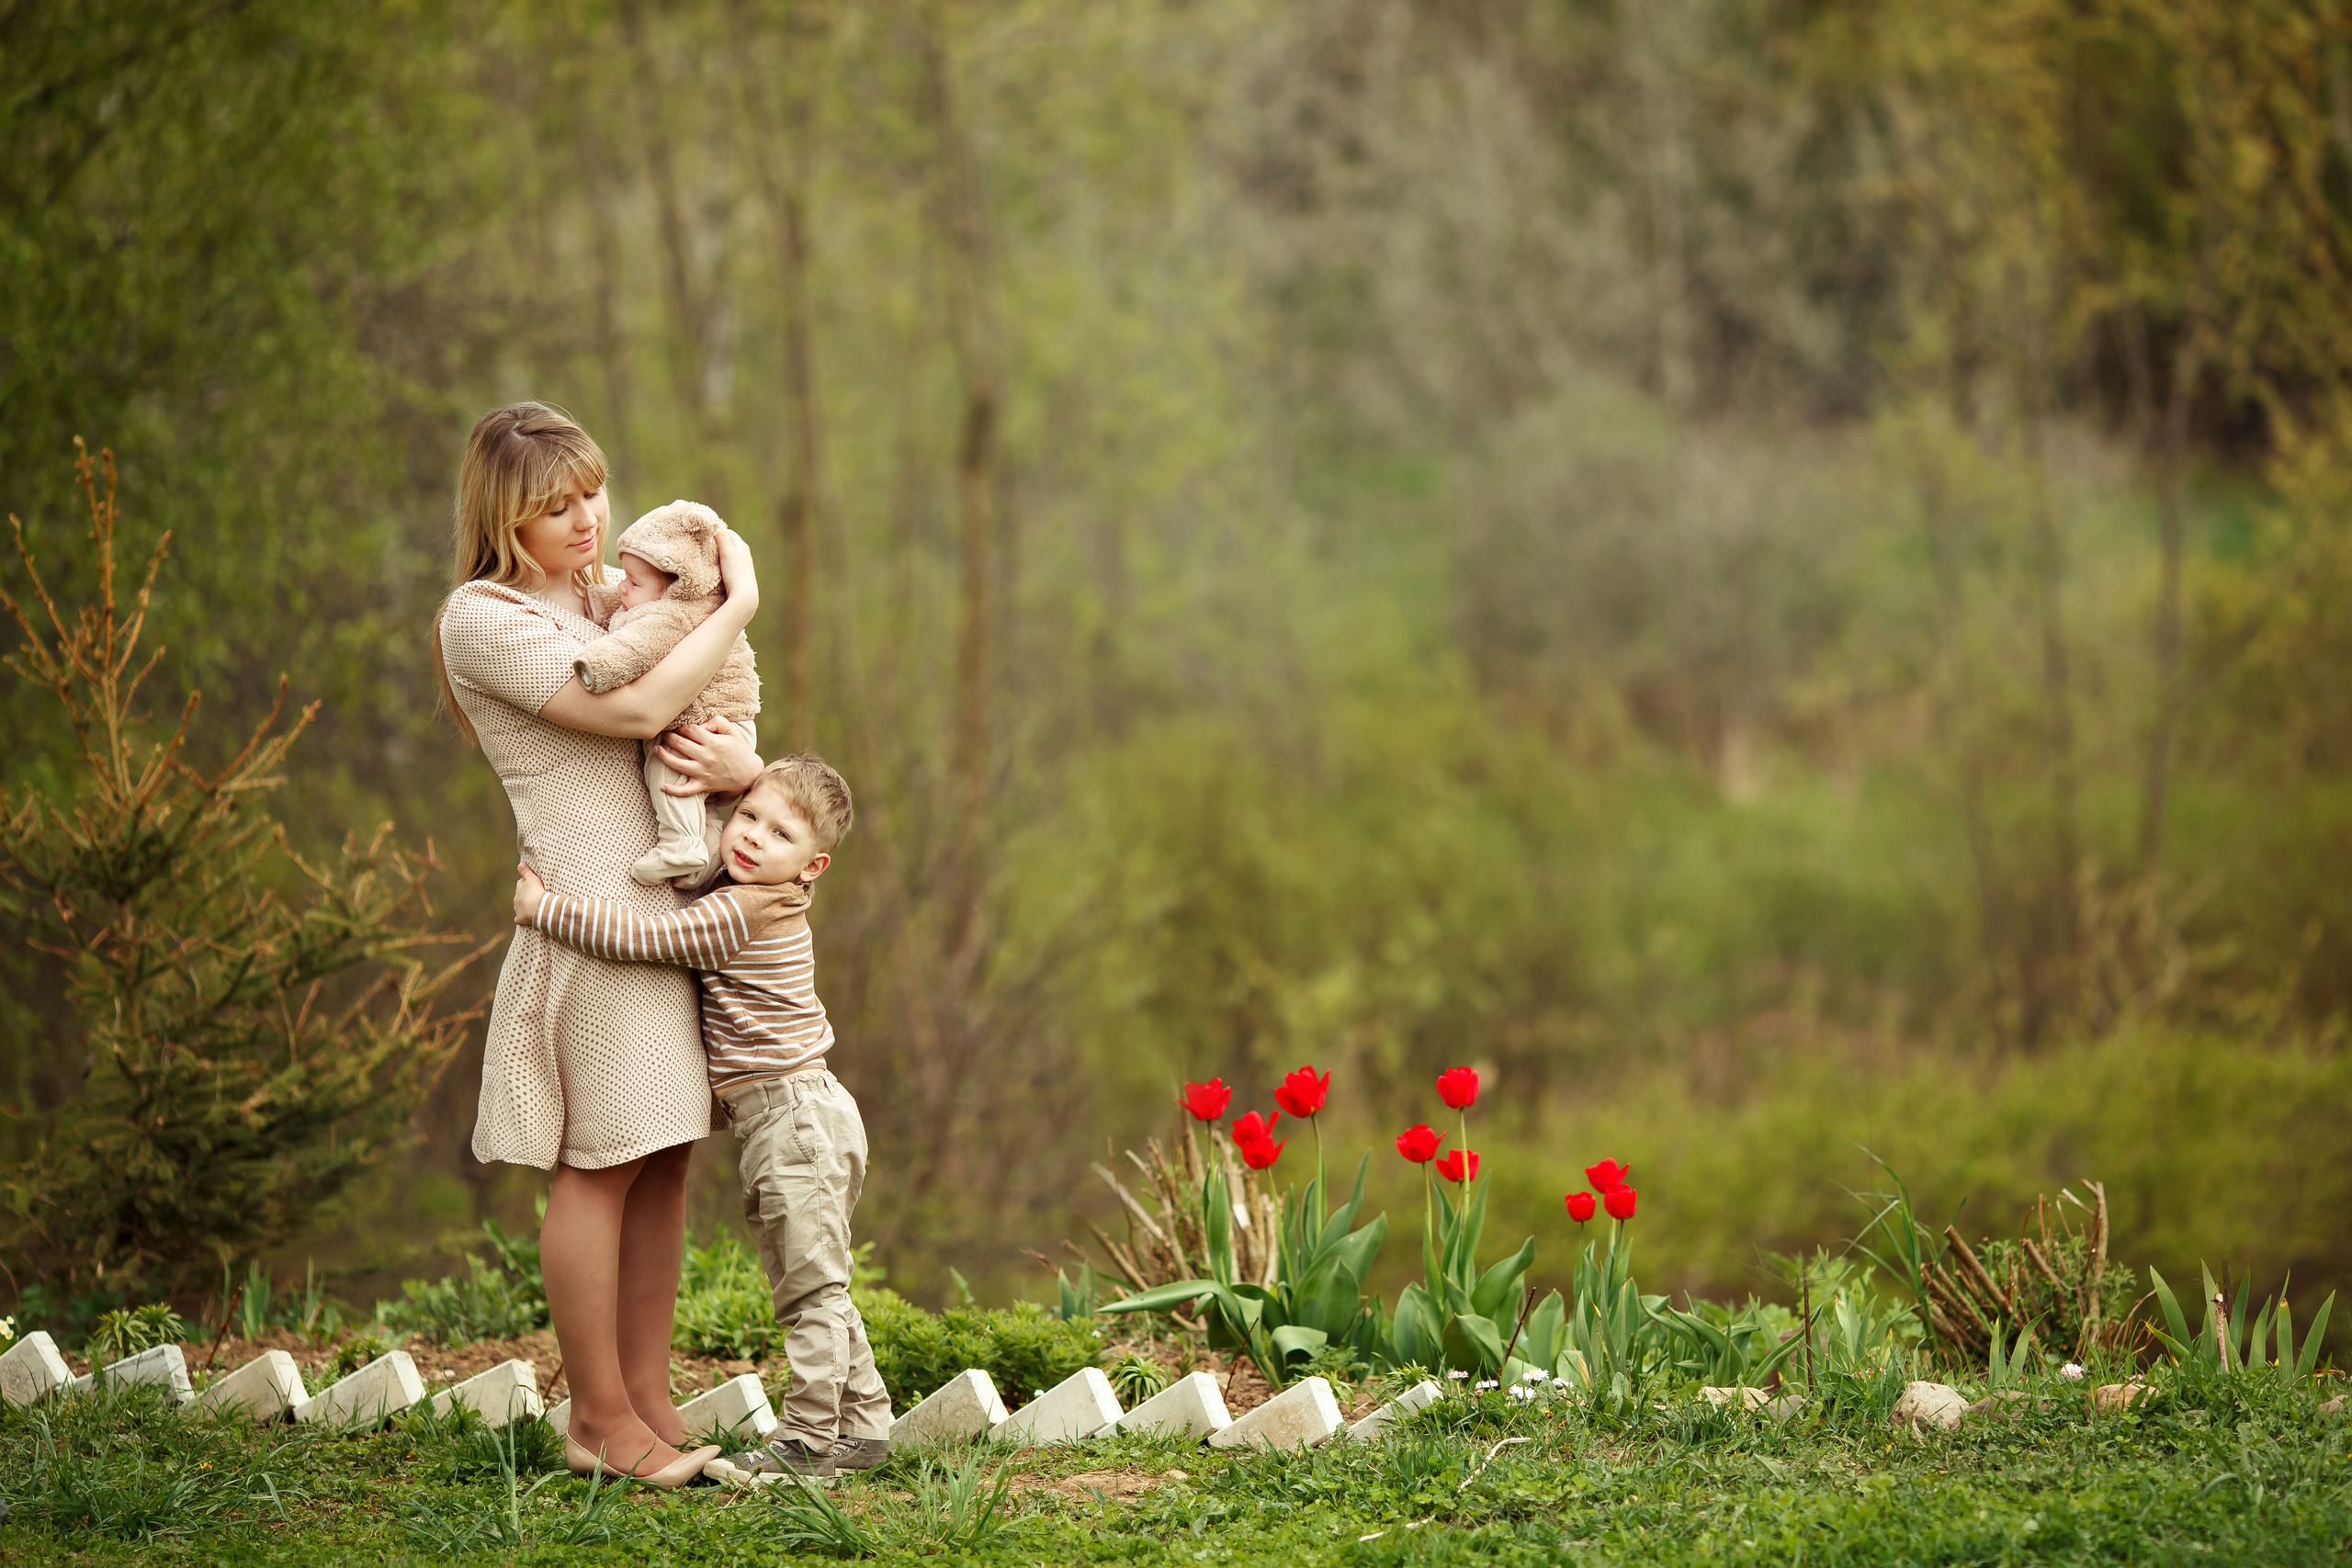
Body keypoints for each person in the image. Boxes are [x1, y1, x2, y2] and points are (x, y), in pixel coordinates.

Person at [433, 401, 762, 1487]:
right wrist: (739, 600)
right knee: (603, 1160)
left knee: (665, 1152)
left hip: (664, 915)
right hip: (586, 913)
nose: (586, 520)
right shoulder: (482, 619)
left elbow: (701, 707)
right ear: (503, 518)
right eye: (554, 507)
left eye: (592, 494)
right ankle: (597, 1418)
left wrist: (742, 773)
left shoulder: (604, 592)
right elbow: (632, 710)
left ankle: (648, 1402)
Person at [512, 754, 892, 1483]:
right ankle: (865, 1423)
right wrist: (721, 780)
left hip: (795, 1120)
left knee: (810, 1288)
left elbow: (651, 937)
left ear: (812, 866)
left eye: (779, 833)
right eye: (748, 815)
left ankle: (810, 1438)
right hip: (797, 1115)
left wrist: (545, 910)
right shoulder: (757, 886)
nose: (751, 836)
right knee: (818, 1276)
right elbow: (706, 846)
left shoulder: (742, 910)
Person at [576, 498, 762, 886]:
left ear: (674, 587)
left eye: (633, 582)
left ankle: (681, 847)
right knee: (696, 796)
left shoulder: (669, 614)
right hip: (725, 725)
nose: (622, 585)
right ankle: (704, 855)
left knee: (668, 772)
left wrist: (596, 666)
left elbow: (634, 648)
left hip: (705, 724)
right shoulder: (662, 597)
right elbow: (626, 606)